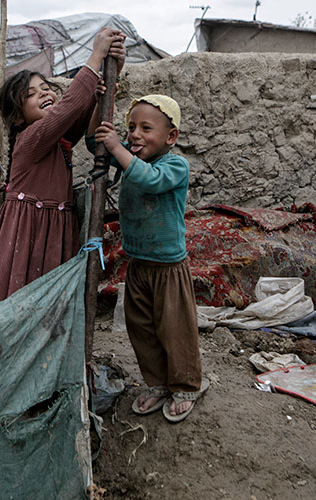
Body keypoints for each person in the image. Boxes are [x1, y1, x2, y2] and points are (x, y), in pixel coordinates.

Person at [0, 28, 126, 315]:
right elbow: (69, 108)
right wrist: (95, 55)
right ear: (18, 117)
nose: (44, 92)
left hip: (53, 232)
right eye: (31, 94)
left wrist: (113, 70)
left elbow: (81, 112)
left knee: (47, 309)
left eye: (46, 88)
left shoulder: (59, 140)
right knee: (20, 304)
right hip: (26, 235)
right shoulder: (30, 139)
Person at [86, 94, 208, 422]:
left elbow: (149, 180)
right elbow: (90, 143)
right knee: (141, 327)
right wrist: (100, 106)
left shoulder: (174, 165)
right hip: (138, 262)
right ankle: (156, 382)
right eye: (131, 128)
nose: (135, 135)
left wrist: (117, 147)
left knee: (174, 328)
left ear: (171, 137)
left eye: (146, 128)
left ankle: (185, 385)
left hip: (168, 266)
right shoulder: (126, 155)